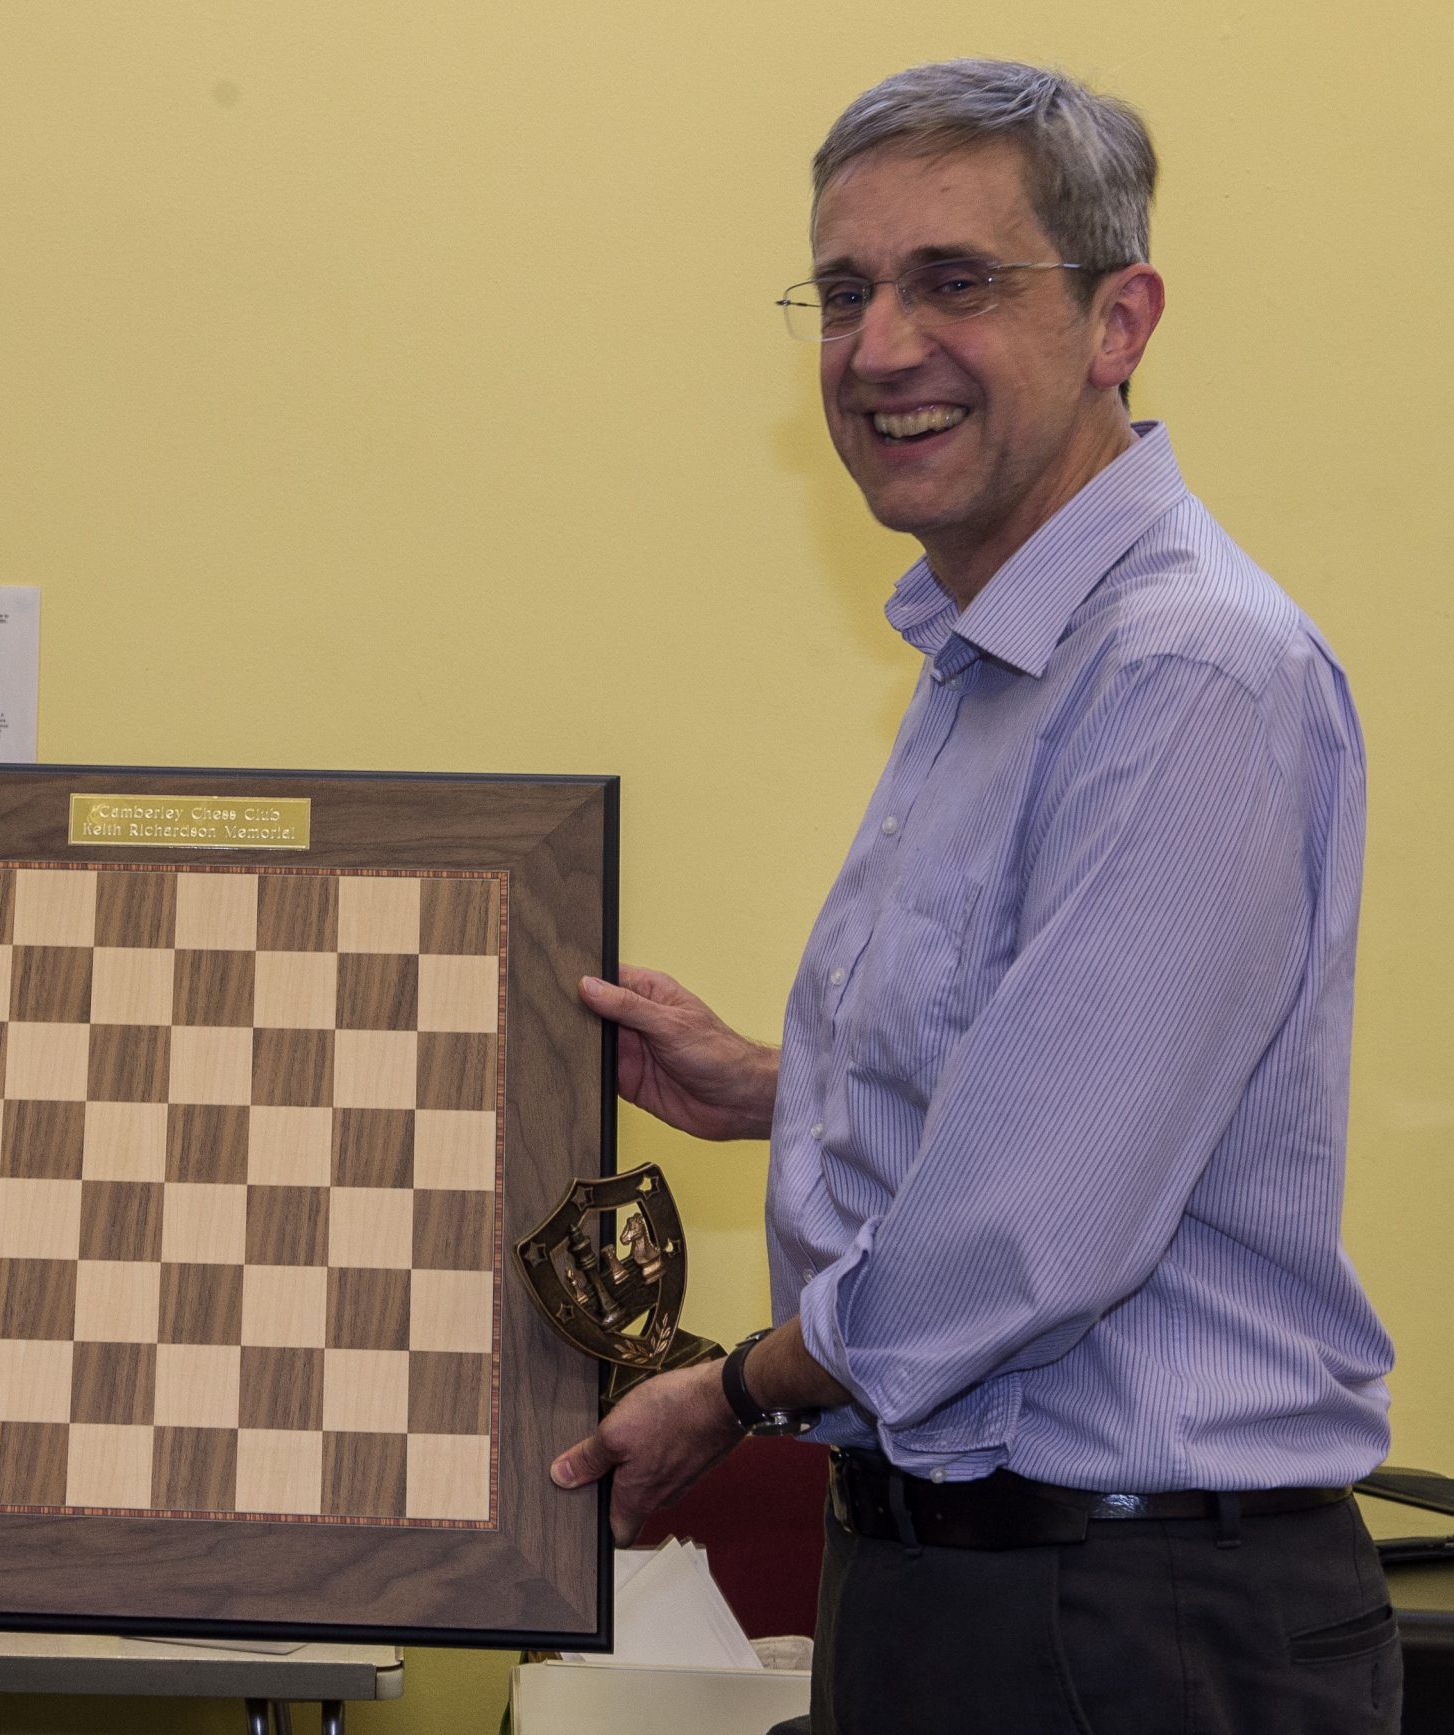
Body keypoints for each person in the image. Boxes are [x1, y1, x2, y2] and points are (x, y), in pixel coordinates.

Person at [548, 61, 1399, 1733]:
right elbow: (1067, 1093)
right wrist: (782, 1099)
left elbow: (1024, 1234)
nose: (880, 348)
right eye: (846, 291)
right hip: (975, 1591)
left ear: (1117, 319)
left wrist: (730, 1389)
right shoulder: (997, 656)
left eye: (955, 282)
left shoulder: (1184, 673)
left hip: (1124, 1621)